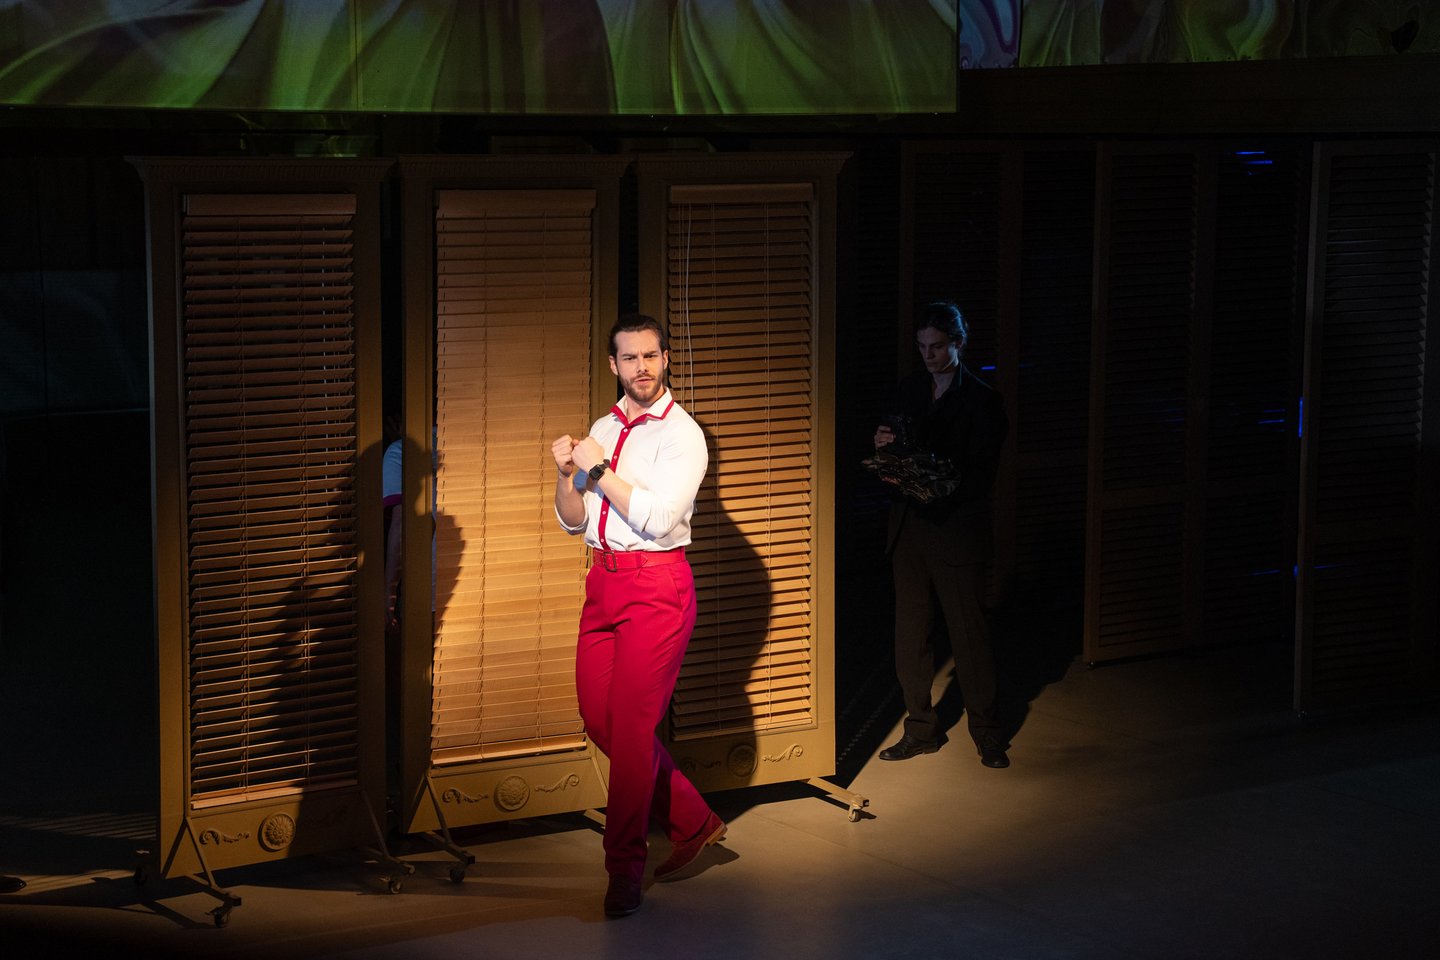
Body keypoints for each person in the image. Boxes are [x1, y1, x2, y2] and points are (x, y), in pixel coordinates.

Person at [550, 313, 725, 918]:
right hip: (603, 582)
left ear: (666, 359)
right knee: (600, 720)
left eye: (651, 356)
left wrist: (598, 468)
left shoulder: (683, 435)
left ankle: (623, 870)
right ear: (614, 365)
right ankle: (693, 819)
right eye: (630, 358)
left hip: (657, 586)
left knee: (629, 735)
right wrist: (566, 476)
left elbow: (656, 517)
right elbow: (572, 519)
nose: (642, 368)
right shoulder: (603, 427)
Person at [873, 301, 1010, 768]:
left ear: (958, 343)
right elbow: (889, 447)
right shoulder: (909, 389)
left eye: (936, 346)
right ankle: (920, 729)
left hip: (955, 530)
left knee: (969, 634)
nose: (928, 354)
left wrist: (934, 474)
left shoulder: (983, 400)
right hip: (910, 527)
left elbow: (981, 473)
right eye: (922, 346)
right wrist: (883, 445)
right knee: (910, 634)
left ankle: (987, 732)